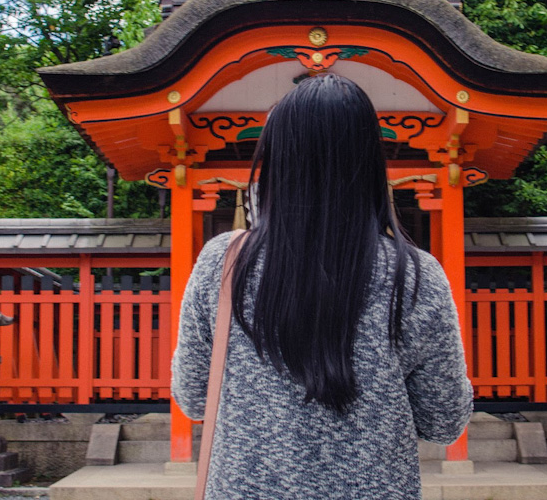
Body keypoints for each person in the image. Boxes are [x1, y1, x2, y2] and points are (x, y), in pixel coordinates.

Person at [171, 73, 472, 499]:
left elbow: (195, 399)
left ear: (275, 159)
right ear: (371, 160)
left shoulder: (222, 263)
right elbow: (443, 420)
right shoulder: (416, 275)